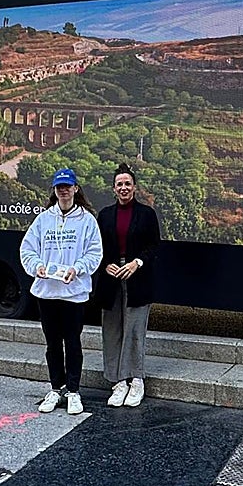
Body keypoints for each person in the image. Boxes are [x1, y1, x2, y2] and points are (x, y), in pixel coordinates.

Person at [19, 167, 103, 416]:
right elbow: (27, 249)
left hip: (73, 293)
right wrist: (37, 266)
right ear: (54, 191)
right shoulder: (44, 219)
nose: (63, 190)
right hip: (47, 293)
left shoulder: (87, 220)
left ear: (76, 189)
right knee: (52, 344)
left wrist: (78, 269)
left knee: (73, 342)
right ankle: (56, 388)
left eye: (67, 186)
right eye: (59, 187)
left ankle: (74, 391)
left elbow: (94, 253)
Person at [96, 162, 161, 408]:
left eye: (128, 184)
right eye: (119, 184)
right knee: (112, 330)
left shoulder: (146, 214)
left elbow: (154, 246)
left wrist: (137, 263)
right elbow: (96, 247)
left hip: (137, 278)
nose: (124, 188)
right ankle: (118, 382)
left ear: (134, 187)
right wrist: (105, 265)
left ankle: (136, 381)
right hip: (110, 280)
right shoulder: (104, 215)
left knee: (134, 330)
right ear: (114, 189)